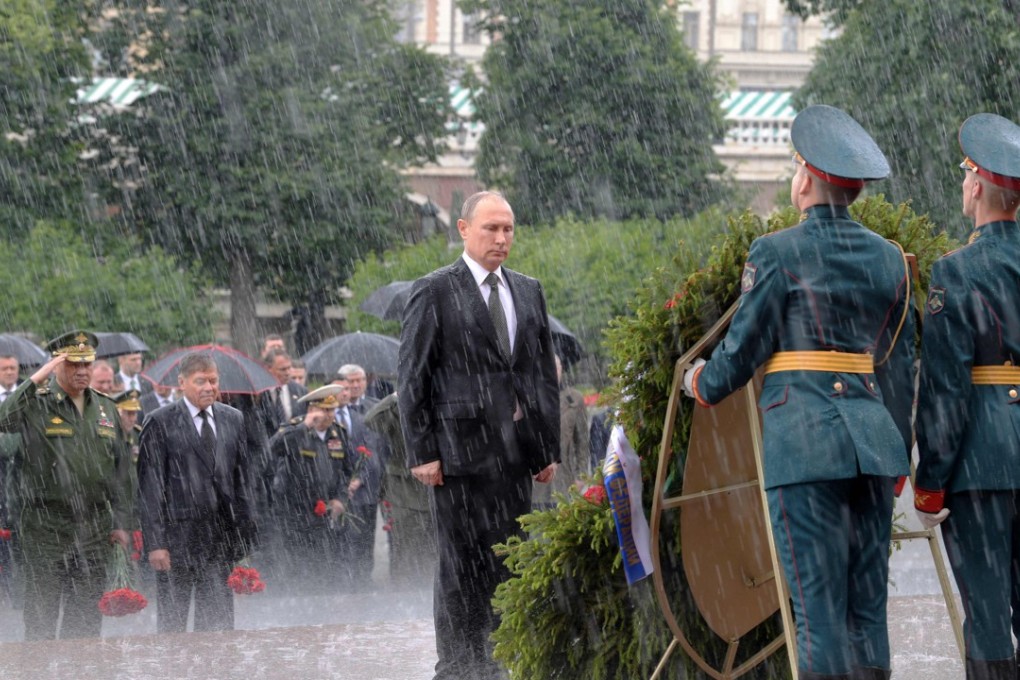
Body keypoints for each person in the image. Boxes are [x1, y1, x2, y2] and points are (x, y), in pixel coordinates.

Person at [683, 106, 914, 680]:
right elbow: (898, 365)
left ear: (806, 178)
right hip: (873, 446)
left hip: (806, 442)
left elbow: (742, 350)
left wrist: (699, 382)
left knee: (816, 613)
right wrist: (900, 451)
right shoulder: (890, 259)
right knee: (868, 610)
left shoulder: (776, 252)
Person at [398, 190, 560, 680]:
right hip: (456, 458)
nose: (501, 238)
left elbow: (539, 378)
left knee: (509, 562)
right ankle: (457, 666)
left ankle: (501, 660)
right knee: (459, 567)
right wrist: (422, 451)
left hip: (513, 458)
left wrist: (544, 448)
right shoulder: (435, 290)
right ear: (464, 230)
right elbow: (412, 377)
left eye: (508, 228)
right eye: (491, 228)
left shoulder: (528, 290)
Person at [913, 113, 1020, 680]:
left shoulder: (955, 271)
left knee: (986, 618)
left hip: (982, 461)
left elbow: (945, 391)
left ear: (976, 186)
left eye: (964, 177)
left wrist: (930, 486)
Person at [0, 331, 132, 640]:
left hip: (94, 527)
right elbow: (3, 421)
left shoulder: (106, 408)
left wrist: (122, 522)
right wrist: (35, 380)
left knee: (85, 621)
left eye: (87, 364)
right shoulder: (37, 403)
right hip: (46, 527)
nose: (83, 371)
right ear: (57, 365)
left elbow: (122, 471)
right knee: (42, 618)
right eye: (74, 364)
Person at [137, 351, 259, 633]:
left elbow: (241, 478)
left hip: (219, 538)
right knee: (174, 623)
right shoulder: (160, 421)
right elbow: (150, 486)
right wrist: (155, 543)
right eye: (200, 381)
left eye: (213, 381)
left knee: (218, 622)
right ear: (182, 383)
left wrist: (245, 531)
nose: (209, 387)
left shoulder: (233, 418)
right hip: (176, 539)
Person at [269, 385, 354, 591]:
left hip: (324, 511)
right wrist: (304, 426)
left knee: (324, 565)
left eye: (332, 410)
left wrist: (341, 499)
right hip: (294, 510)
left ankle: (320, 605)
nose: (329, 415)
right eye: (325, 410)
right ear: (312, 409)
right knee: (295, 565)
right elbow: (274, 448)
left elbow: (346, 471)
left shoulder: (338, 433)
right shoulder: (294, 428)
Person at [364, 392, 437, 587]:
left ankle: (430, 595)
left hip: (436, 488)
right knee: (406, 552)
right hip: (404, 492)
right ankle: (404, 598)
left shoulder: (440, 401)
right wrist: (396, 396)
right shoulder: (400, 406)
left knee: (435, 553)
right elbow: (371, 420)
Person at [532, 355, 590, 509]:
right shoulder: (530, 398)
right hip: (536, 485)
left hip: (565, 482)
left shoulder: (575, 400)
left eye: (555, 367)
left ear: (561, 369)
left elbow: (582, 442)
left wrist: (581, 476)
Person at [257, 348, 308, 438]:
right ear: (268, 368)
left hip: (295, 447)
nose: (288, 373)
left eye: (289, 368)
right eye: (283, 369)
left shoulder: (300, 391)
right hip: (269, 447)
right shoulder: (258, 393)